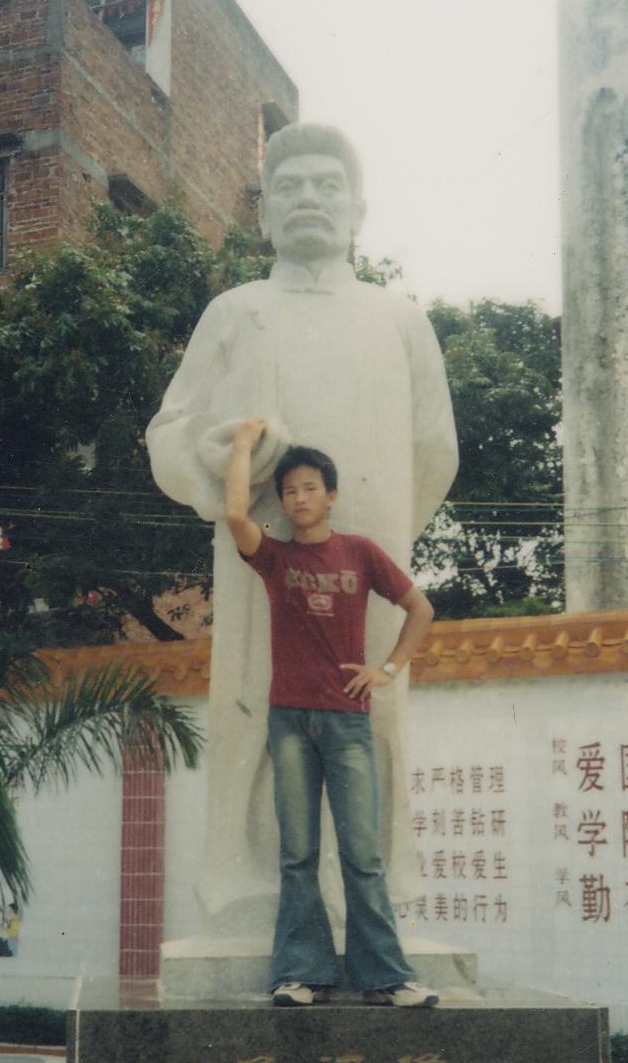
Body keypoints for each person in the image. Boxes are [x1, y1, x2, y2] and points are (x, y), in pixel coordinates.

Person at [147, 123, 457, 939]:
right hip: (263, 564)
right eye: (289, 187)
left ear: (358, 209)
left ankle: (378, 911)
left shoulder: (398, 319)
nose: (309, 198)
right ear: (264, 216)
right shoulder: (235, 312)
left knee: (376, 721)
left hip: (366, 570)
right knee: (253, 713)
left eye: (327, 185)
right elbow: (169, 431)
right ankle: (248, 897)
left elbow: (435, 450)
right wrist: (219, 454)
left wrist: (384, 532)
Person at [225, 422, 439, 1008]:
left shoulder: (360, 553)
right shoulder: (275, 559)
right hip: (289, 722)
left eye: (310, 488)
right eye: (290, 490)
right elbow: (236, 513)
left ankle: (386, 977)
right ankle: (301, 974)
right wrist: (242, 446)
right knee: (297, 855)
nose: (299, 498)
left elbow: (420, 608)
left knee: (362, 855)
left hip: (348, 722)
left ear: (331, 495)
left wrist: (387, 669)